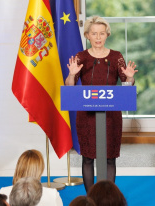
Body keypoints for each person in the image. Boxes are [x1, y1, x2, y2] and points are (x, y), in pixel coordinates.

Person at [65, 16, 138, 192]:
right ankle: (91, 199)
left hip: (111, 117)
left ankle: (108, 198)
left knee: (109, 158)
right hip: (86, 116)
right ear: (87, 35)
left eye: (102, 33)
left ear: (107, 35)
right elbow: (70, 86)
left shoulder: (116, 56)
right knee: (88, 158)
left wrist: (129, 77)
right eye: (94, 33)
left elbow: (127, 87)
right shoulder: (81, 57)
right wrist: (72, 74)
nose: (98, 37)